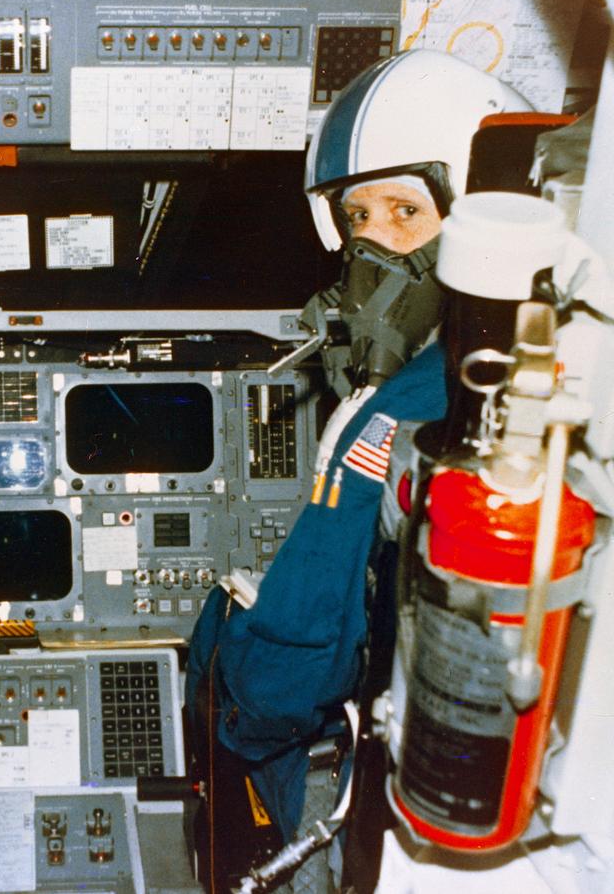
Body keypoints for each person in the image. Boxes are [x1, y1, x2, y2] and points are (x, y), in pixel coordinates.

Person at [185, 49, 531, 890]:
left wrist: (225, 715)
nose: (374, 245)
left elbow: (288, 667)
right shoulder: (524, 377)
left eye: (406, 213)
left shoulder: (385, 413)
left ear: (477, 223)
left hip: (362, 758)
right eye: (359, 216)